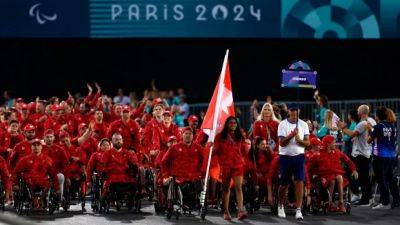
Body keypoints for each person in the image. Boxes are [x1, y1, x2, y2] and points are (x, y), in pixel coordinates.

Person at [213, 116, 251, 221]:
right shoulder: (220, 136)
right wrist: (212, 147)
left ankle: (240, 211)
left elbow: (244, 151)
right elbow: (216, 151)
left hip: (237, 165)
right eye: (231, 123)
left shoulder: (240, 136)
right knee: (226, 189)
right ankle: (226, 212)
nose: (233, 124)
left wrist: (247, 146)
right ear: (227, 124)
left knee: (238, 187)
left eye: (235, 123)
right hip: (225, 166)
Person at [309, 135, 358, 213]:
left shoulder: (337, 152)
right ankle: (329, 202)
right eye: (333, 142)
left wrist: (354, 169)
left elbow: (348, 160)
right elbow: (309, 168)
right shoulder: (318, 155)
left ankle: (341, 203)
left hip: (337, 176)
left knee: (339, 177)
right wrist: (310, 180)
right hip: (324, 177)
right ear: (328, 144)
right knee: (333, 180)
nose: (335, 144)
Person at [277, 103, 310, 220]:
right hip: (285, 157)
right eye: (292, 110)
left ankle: (298, 209)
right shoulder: (282, 124)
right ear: (289, 112)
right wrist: (292, 135)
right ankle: (280, 205)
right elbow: (282, 143)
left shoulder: (304, 124)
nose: (294, 113)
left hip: (299, 156)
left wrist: (300, 140)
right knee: (284, 184)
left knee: (300, 182)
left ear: (298, 111)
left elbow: (307, 143)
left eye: (296, 111)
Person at [339, 104, 376, 206]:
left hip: (361, 153)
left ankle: (365, 199)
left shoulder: (362, 123)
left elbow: (351, 135)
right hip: (368, 152)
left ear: (361, 112)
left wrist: (343, 128)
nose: (357, 111)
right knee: (365, 177)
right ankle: (368, 197)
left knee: (363, 178)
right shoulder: (372, 121)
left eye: (358, 110)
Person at [369, 107, 400, 209]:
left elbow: (369, 140)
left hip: (380, 156)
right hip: (391, 156)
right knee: (391, 179)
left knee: (382, 180)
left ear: (377, 116)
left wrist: (369, 130)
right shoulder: (392, 126)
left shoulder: (378, 126)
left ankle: (385, 202)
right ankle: (396, 200)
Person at [12, 139, 59, 203]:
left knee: (49, 183)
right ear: (31, 147)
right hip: (29, 181)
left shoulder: (47, 159)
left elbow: (53, 174)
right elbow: (16, 172)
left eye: (38, 145)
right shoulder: (24, 160)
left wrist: (57, 187)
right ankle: (33, 200)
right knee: (28, 182)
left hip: (43, 180)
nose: (36, 147)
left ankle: (41, 200)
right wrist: (15, 184)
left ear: (41, 147)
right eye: (34, 145)